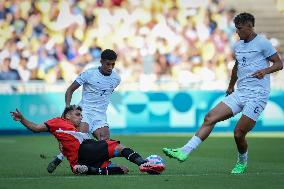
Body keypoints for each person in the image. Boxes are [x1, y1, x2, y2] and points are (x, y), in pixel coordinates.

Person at [162, 12, 283, 174]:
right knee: (209, 117)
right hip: (241, 92)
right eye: (236, 29)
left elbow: (279, 63)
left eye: (239, 29)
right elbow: (236, 66)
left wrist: (265, 71)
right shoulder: (239, 45)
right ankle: (184, 151)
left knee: (238, 133)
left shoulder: (263, 43)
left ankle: (242, 162)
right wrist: (231, 85)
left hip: (257, 95)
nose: (237, 32)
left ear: (249, 26)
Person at [10, 105, 165, 175]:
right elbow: (36, 128)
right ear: (68, 115)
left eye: (81, 115)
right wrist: (22, 118)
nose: (80, 117)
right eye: (77, 114)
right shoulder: (57, 122)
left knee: (121, 169)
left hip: (79, 160)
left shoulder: (74, 131)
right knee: (119, 148)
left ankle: (91, 169)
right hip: (85, 149)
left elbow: (65, 144)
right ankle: (144, 164)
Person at [47, 49, 121, 173]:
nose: (110, 67)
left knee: (105, 141)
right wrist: (67, 109)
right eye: (107, 64)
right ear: (101, 61)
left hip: (100, 115)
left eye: (113, 64)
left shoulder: (116, 79)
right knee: (81, 141)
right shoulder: (89, 74)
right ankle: (60, 158)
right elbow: (70, 90)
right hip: (85, 112)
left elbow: (107, 94)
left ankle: (103, 165)